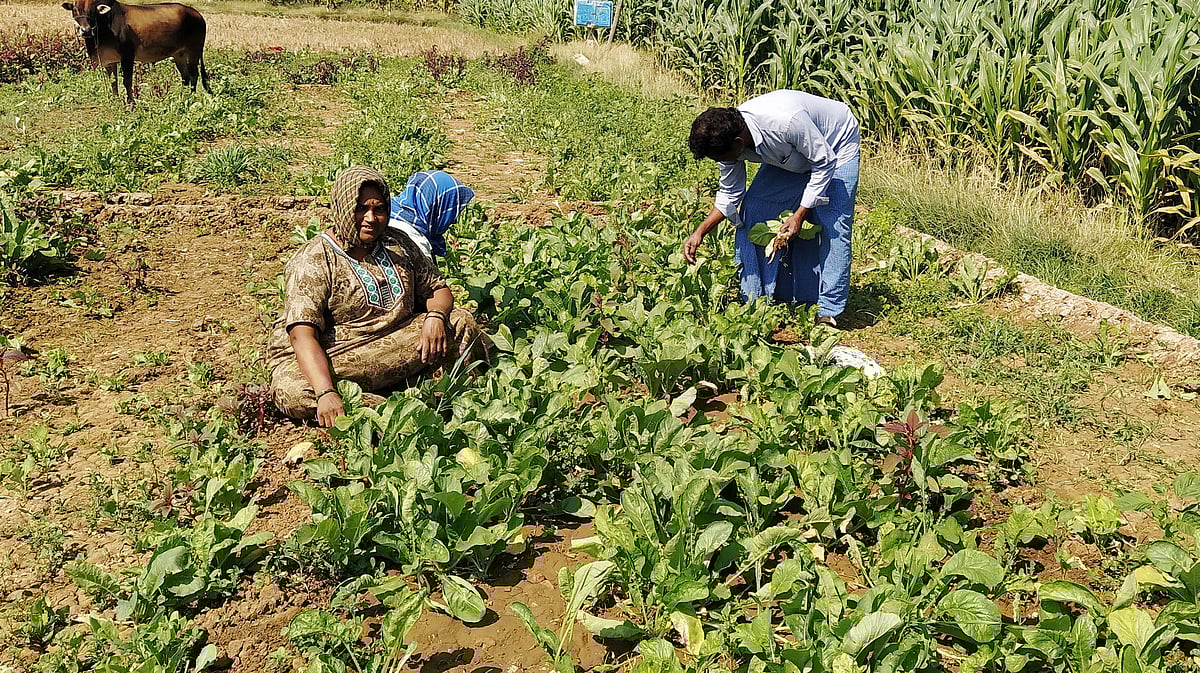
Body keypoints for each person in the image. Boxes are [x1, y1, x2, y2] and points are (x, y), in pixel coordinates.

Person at [269, 166, 490, 427]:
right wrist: (325, 391)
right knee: (291, 389)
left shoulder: (398, 243)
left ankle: (450, 397)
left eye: (379, 209)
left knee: (459, 321)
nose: (371, 218)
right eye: (361, 208)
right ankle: (392, 410)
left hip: (398, 340)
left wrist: (435, 316)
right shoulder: (315, 258)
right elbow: (302, 335)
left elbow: (437, 289)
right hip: (339, 355)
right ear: (342, 208)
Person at [683, 90, 860, 327]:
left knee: (833, 225)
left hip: (835, 146)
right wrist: (700, 231)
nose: (721, 162)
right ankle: (759, 299)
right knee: (754, 209)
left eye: (722, 158)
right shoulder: (730, 138)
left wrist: (800, 214)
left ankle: (828, 310)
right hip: (791, 153)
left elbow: (823, 162)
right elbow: (730, 192)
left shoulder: (786, 122)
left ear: (738, 143)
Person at [388, 170, 475, 263]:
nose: (454, 221)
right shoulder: (416, 245)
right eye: (449, 212)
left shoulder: (388, 215)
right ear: (436, 207)